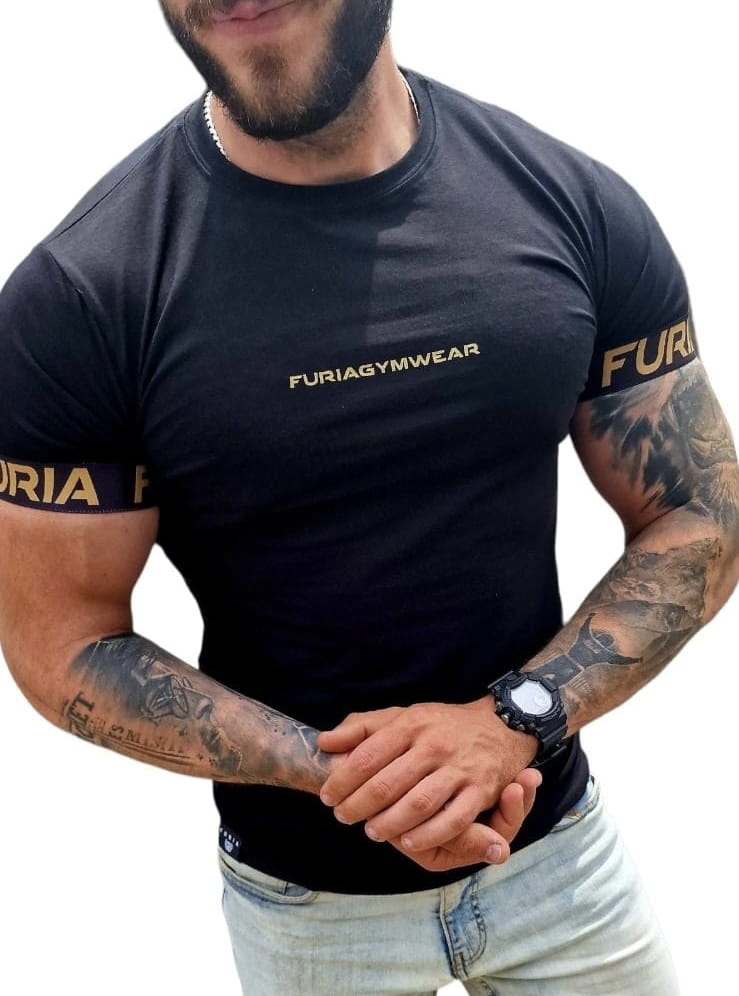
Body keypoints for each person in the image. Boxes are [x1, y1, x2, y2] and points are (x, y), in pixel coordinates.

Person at [0, 0, 737, 993]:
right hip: (308, 911)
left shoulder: (569, 202)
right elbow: (63, 644)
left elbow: (699, 510)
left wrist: (513, 720)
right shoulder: (83, 294)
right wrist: (347, 773)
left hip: (560, 863)